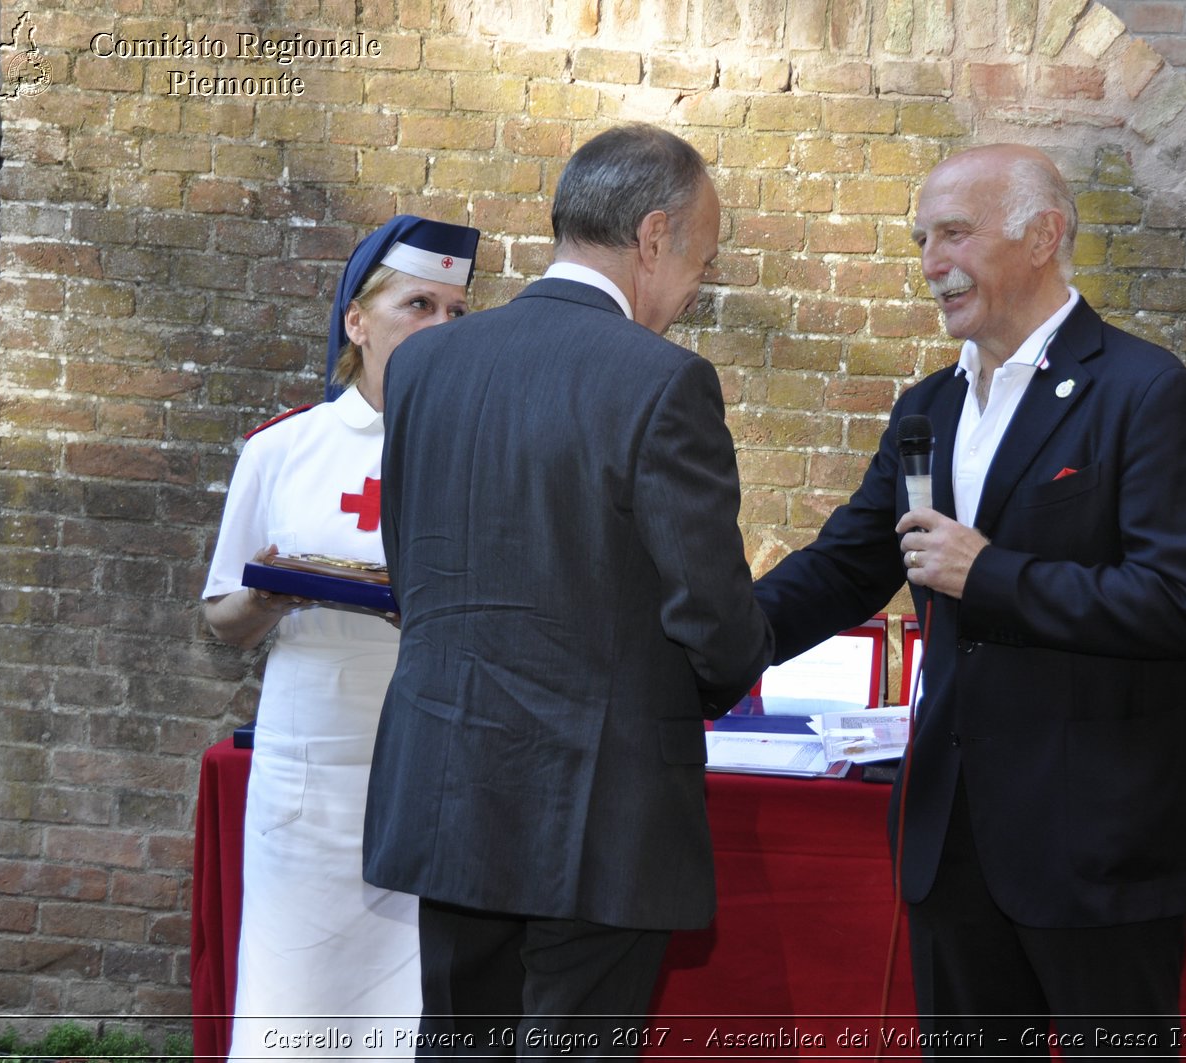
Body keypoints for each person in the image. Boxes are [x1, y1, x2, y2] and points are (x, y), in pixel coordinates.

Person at [753, 144, 1186, 1056]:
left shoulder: (1142, 391)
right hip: (951, 845)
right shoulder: (927, 405)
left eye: (955, 234)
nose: (932, 263)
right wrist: (705, 641)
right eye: (923, 240)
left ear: (1043, 235)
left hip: (1095, 851)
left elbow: (1182, 602)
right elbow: (849, 564)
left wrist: (991, 573)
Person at [362, 124, 773, 1055]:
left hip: (450, 776)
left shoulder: (422, 364)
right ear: (655, 236)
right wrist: (718, 680)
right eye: (701, 262)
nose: (694, 290)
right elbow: (710, 612)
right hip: (602, 801)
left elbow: (414, 568)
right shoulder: (664, 381)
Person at [201, 215, 480, 1059]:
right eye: (418, 304)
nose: (438, 328)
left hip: (435, 774)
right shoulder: (282, 451)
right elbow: (223, 620)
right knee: (294, 1006)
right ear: (359, 322)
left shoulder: (479, 450)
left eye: (456, 312)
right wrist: (276, 595)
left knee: (412, 1018)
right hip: (311, 774)